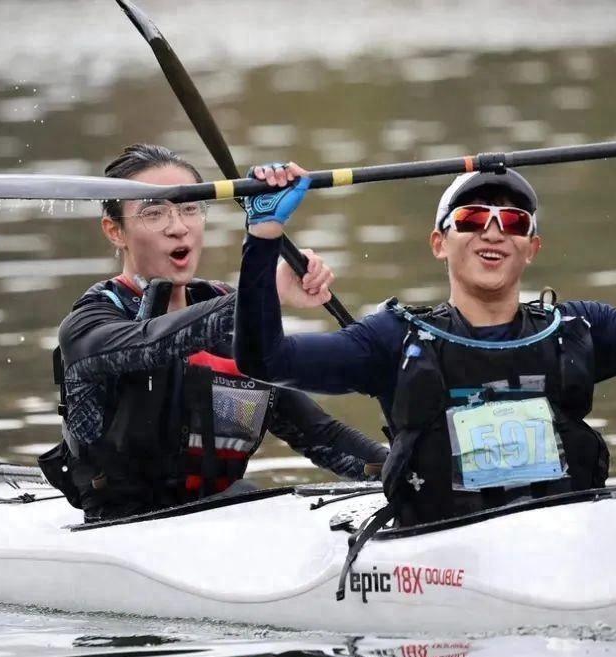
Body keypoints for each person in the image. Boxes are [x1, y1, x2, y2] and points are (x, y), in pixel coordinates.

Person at [234, 118, 616, 525]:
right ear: (440, 243)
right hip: (438, 558)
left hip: (568, 540)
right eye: (473, 219)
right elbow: (264, 360)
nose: (494, 233)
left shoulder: (577, 330)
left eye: (514, 222)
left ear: (532, 248)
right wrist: (264, 237)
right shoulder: (393, 340)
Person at [38, 143, 389, 520]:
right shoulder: (89, 324)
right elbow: (151, 343)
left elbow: (322, 437)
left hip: (221, 518)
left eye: (189, 208)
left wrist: (405, 469)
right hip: (120, 525)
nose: (178, 227)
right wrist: (261, 291)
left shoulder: (228, 317)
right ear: (115, 231)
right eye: (154, 213)